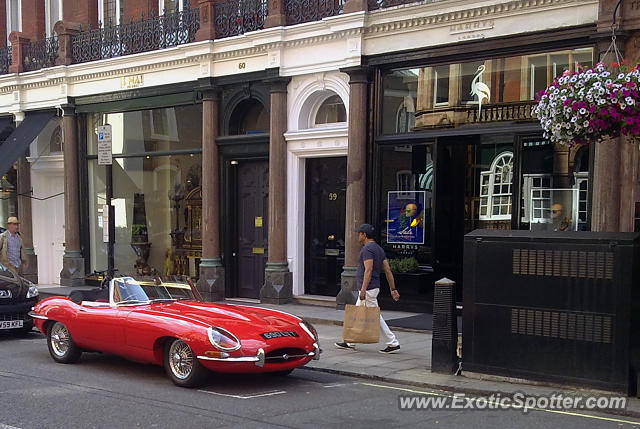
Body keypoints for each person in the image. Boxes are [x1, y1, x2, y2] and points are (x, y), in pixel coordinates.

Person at [335, 223, 401, 354]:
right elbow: (387, 270)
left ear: (364, 235)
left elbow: (368, 270)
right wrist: (393, 288)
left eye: (359, 233)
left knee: (375, 317)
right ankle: (350, 341)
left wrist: (363, 289)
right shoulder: (379, 249)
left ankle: (393, 343)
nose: (358, 236)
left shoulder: (367, 250)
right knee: (362, 313)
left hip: (369, 288)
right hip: (373, 287)